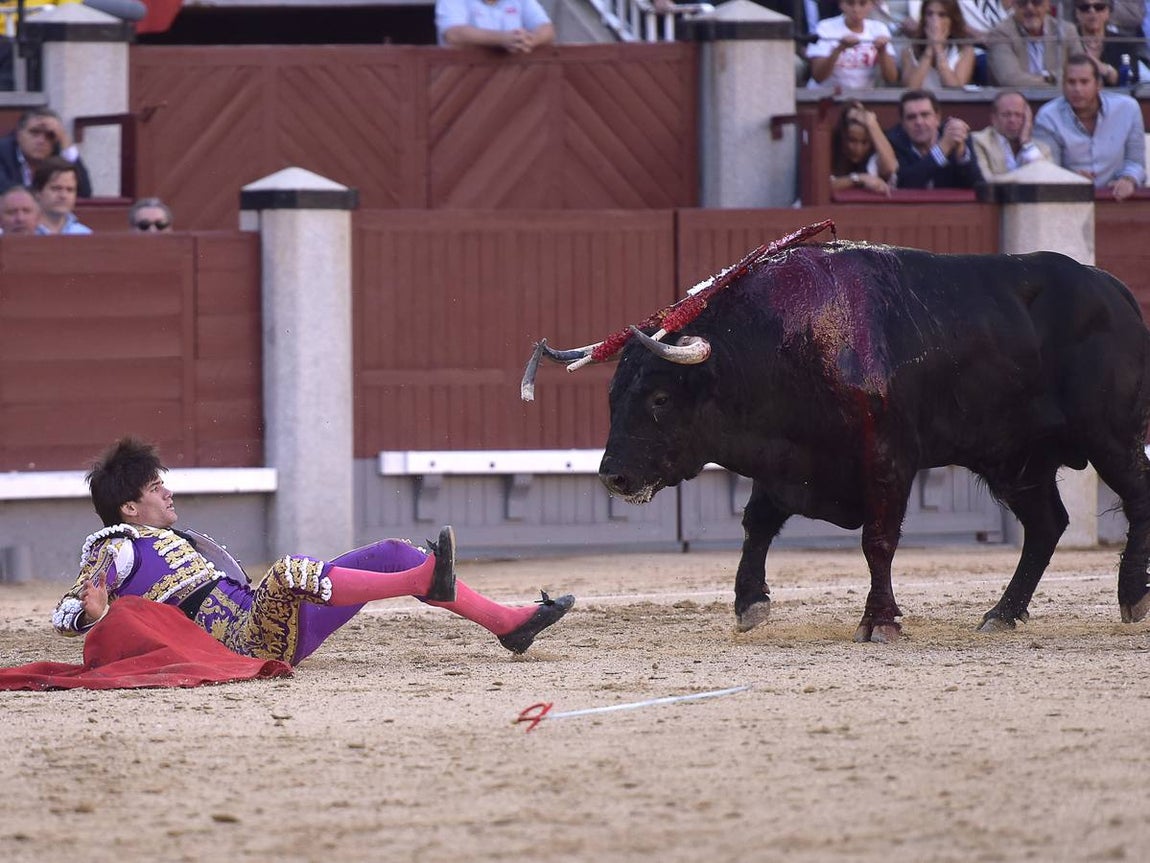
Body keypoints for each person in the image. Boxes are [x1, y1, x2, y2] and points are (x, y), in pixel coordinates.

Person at [53, 438, 576, 664]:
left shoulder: (174, 541)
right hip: (241, 643)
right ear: (128, 508)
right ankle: (423, 580)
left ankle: (508, 623)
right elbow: (68, 611)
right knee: (286, 573)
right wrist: (91, 616)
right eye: (154, 488)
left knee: (393, 551)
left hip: (264, 625)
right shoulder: (116, 545)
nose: (168, 492)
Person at [1034, 53, 1146, 200]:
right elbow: (1048, 169)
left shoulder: (1127, 109)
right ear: (1063, 86)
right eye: (1071, 82)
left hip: (1116, 200)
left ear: (1098, 84)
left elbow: (1135, 162)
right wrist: (1069, 178)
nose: (1077, 89)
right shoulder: (1048, 117)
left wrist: (1129, 179)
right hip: (1068, 201)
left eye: (1084, 82)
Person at [884, 88, 981, 188]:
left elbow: (976, 184)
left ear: (937, 118)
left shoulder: (955, 134)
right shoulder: (894, 141)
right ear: (903, 124)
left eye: (925, 115)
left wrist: (961, 154)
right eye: (911, 117)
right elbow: (904, 183)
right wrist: (942, 149)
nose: (919, 122)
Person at [806, 0, 900, 90]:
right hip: (825, 95)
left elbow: (891, 78)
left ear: (872, 5)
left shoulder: (879, 28)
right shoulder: (825, 27)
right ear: (841, 4)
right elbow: (818, 77)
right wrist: (839, 49)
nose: (856, 9)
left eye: (862, 3)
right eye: (850, 3)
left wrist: (882, 51)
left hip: (863, 97)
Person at [0, 107, 92, 198]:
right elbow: (5, 190)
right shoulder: (3, 151)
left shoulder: (57, 155)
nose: (41, 141)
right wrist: (46, 194)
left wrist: (66, 144)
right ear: (18, 134)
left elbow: (83, 192)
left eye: (49, 135)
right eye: (34, 133)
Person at [986, 0, 1080, 86]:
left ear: (1048, 5)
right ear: (1014, 5)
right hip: (1017, 99)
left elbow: (1081, 70)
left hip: (1061, 99)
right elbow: (1010, 80)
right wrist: (1052, 79)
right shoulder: (1001, 33)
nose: (1030, 8)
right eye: (1022, 3)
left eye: (1036, 2)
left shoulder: (1066, 30)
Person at [970, 90, 1052, 177]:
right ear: (994, 118)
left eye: (1018, 115)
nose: (1012, 120)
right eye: (1006, 115)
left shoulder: (1042, 149)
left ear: (1028, 118)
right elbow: (987, 182)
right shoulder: (980, 142)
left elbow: (1047, 179)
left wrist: (1026, 143)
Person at [900, 0, 977, 88]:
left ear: (952, 20)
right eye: (929, 14)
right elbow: (910, 88)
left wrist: (938, 49)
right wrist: (929, 50)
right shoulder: (909, 50)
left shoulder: (965, 50)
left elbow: (955, 89)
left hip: (949, 101)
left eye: (942, 15)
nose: (935, 21)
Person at [830, 100, 899, 194]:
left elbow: (891, 168)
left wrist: (871, 123)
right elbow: (824, 186)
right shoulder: (829, 153)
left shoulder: (874, 158)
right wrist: (859, 178)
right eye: (852, 141)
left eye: (864, 142)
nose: (858, 149)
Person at [435, 0, 555, 53]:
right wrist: (503, 39)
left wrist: (531, 40)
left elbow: (547, 29)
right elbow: (454, 34)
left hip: (518, 80)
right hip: (461, 82)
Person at [1074, 0, 1140, 85]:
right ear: (1077, 13)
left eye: (1099, 7)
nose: (1092, 11)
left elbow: (1131, 77)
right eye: (1085, 7)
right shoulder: (1067, 41)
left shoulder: (1123, 42)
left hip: (1115, 95)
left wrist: (1104, 69)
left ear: (1108, 12)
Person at [32, 157, 91, 235]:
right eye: (56, 188)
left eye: (70, 190)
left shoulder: (84, 234)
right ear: (38, 192)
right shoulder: (26, 232)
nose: (63, 196)